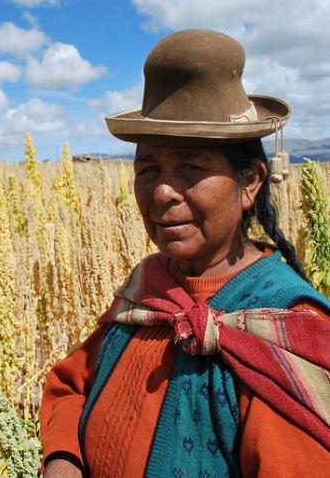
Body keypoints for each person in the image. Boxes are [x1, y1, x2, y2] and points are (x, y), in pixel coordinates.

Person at [40, 29, 330, 478]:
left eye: (190, 167)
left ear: (250, 181)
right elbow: (72, 383)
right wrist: (63, 460)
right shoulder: (148, 289)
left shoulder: (285, 328)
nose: (161, 192)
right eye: (148, 168)